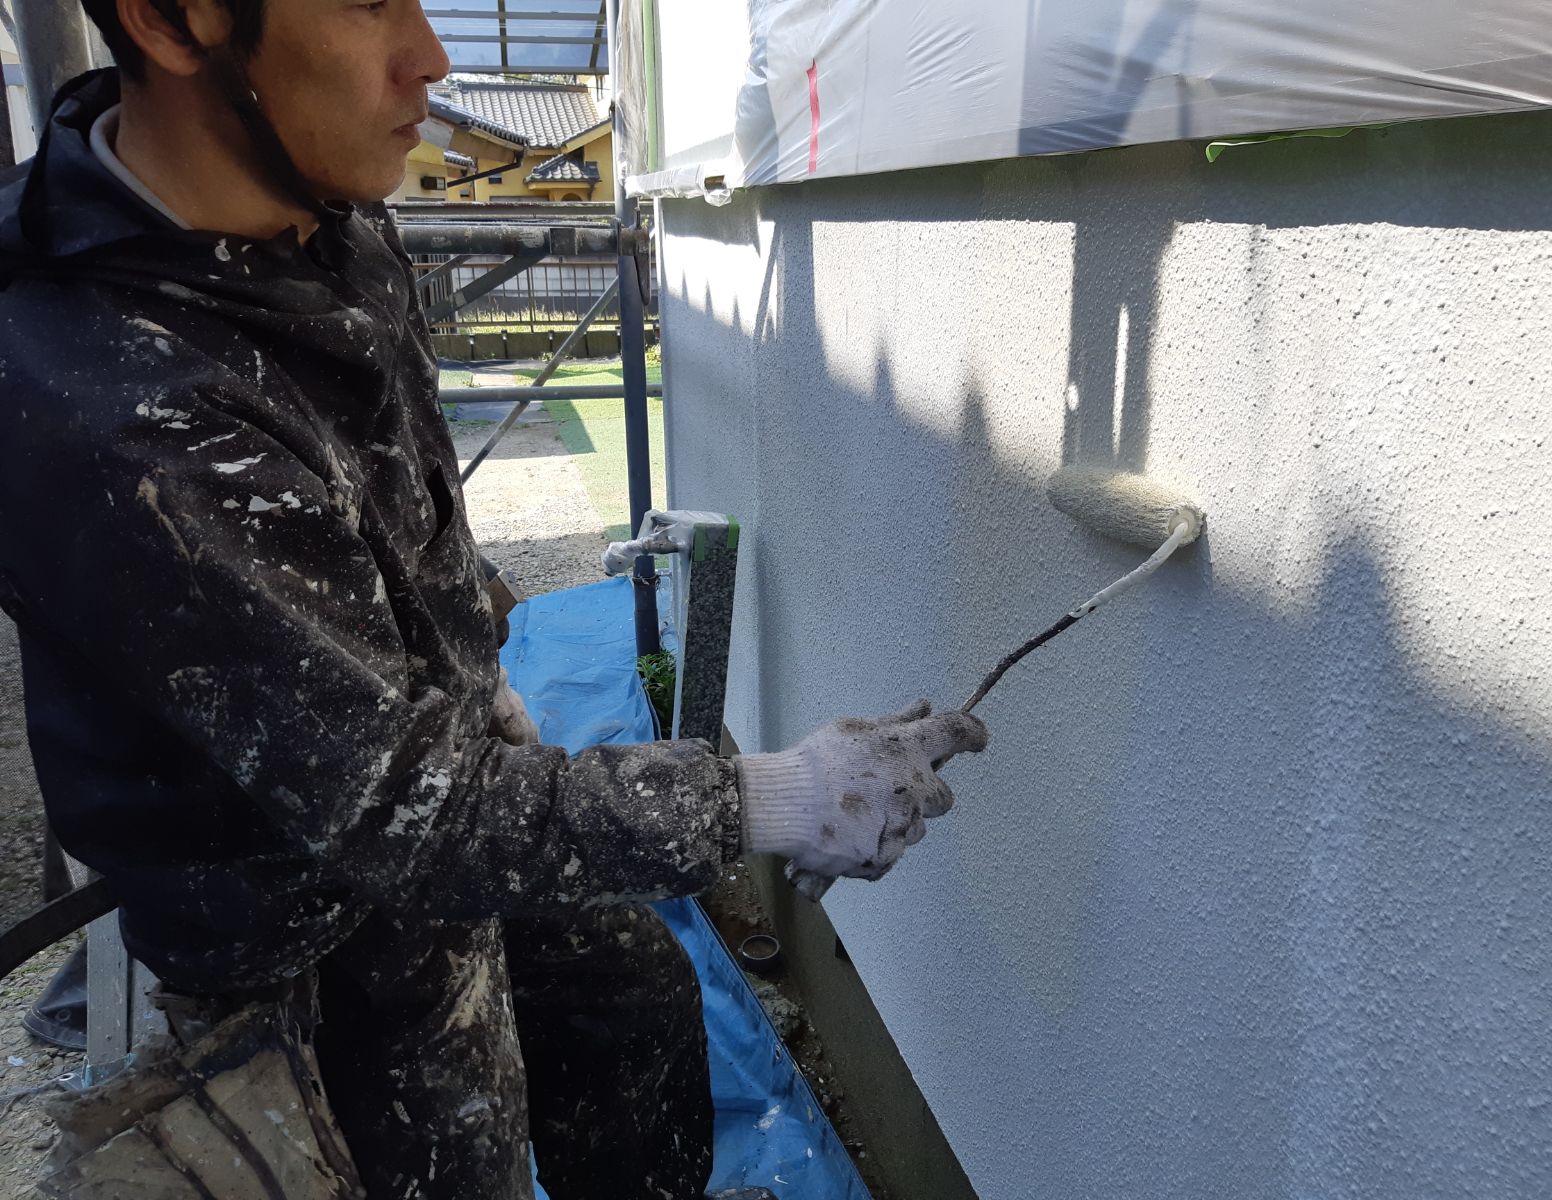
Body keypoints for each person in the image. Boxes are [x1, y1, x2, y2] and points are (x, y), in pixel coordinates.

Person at [0, 0, 988, 1195]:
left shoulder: (323, 215)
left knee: (632, 996)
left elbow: (385, 482)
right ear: (173, 20)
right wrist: (774, 798)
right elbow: (411, 823)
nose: (432, 56)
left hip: (418, 794)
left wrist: (468, 636)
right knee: (459, 1154)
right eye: (367, 2)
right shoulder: (122, 420)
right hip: (303, 934)